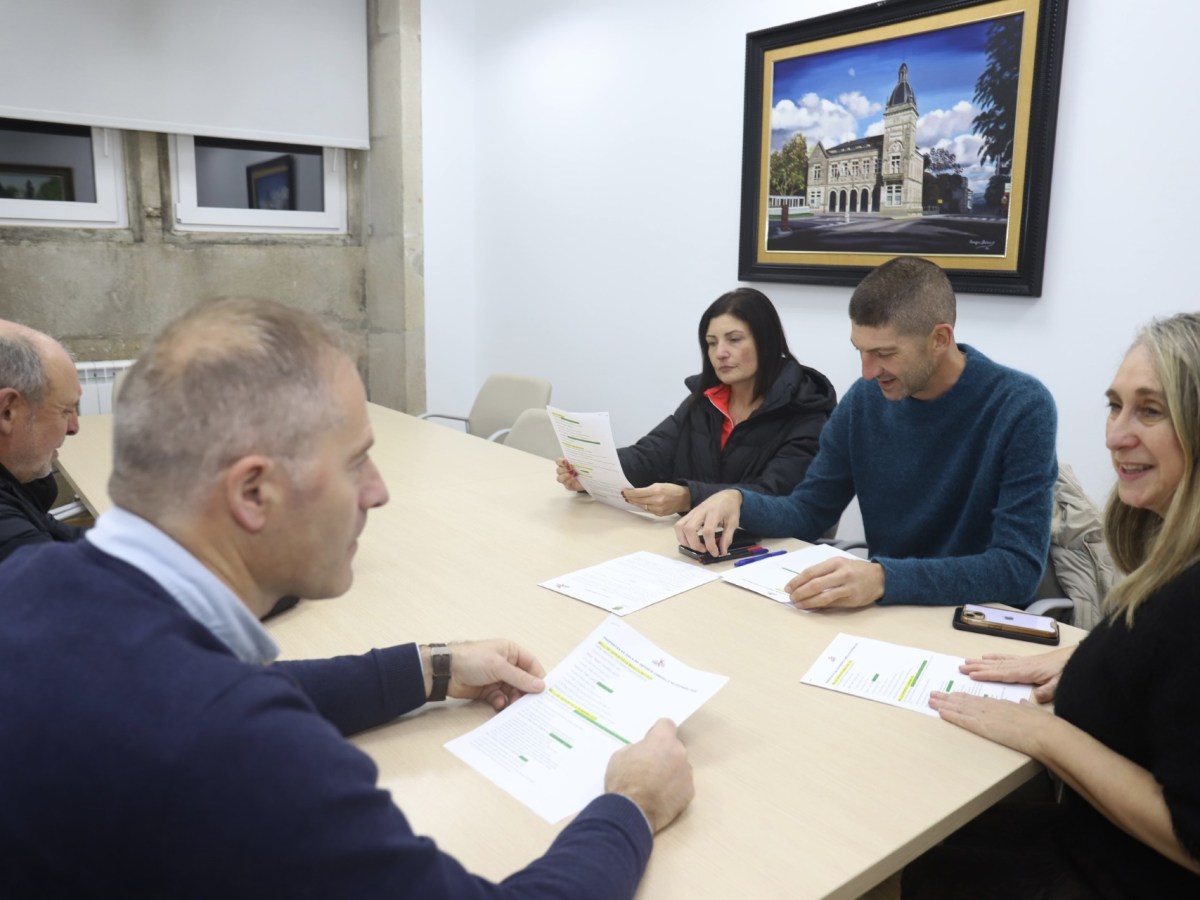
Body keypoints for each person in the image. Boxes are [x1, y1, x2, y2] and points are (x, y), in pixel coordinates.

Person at [0, 298, 694, 899]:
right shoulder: (245, 756)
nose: (378, 492)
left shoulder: (34, 584)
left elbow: (232, 689)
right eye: (356, 462)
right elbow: (231, 718)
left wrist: (431, 667)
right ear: (253, 492)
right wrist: (630, 803)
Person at [905, 313, 1200, 898]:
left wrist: (1043, 736)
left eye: (1150, 410)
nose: (1116, 436)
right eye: (1114, 406)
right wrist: (1103, 665)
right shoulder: (1173, 568)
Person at [676, 257, 1057, 610]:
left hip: (972, 621)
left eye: (885, 353)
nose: (868, 372)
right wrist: (738, 500)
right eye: (860, 350)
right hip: (884, 612)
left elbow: (1017, 571)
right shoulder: (864, 401)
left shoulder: (1021, 406)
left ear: (940, 339)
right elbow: (809, 511)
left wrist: (883, 578)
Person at [557, 288, 836, 516]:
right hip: (694, 540)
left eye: (734, 340)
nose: (721, 353)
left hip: (763, 551)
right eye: (712, 343)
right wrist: (589, 472)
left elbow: (775, 495)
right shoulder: (704, 401)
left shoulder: (805, 413)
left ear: (767, 343)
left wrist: (689, 497)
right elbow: (651, 454)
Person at [0, 319, 85, 563]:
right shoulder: (10, 536)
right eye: (65, 410)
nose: (74, 427)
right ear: (8, 412)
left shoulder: (13, 486)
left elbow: (58, 534)